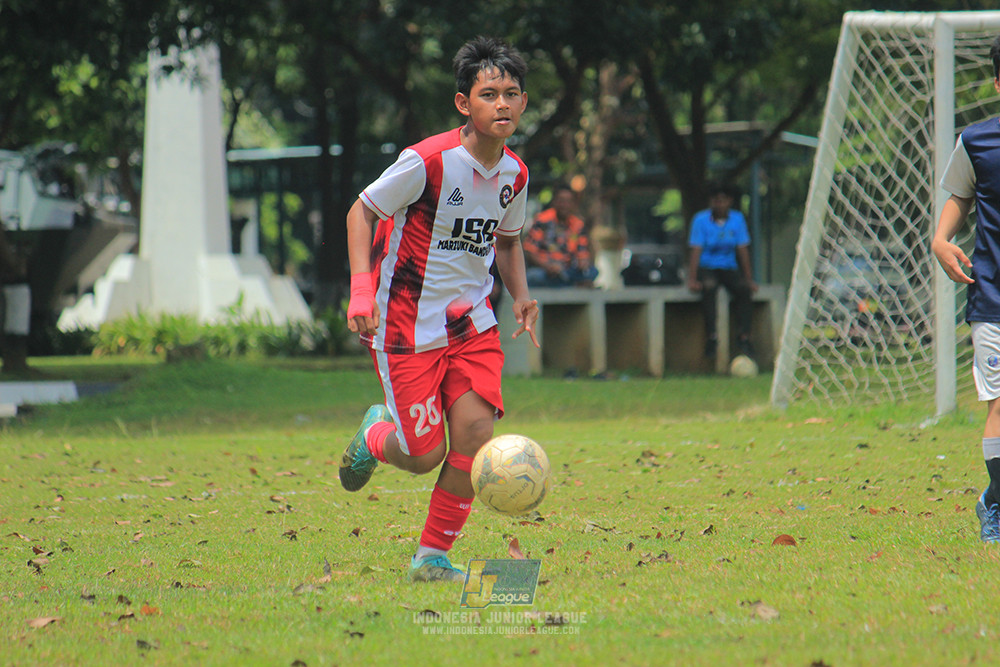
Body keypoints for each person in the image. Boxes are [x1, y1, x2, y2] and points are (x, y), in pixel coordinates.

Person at [340, 36, 540, 582]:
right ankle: (376, 436)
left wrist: (520, 295)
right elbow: (362, 212)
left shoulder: (515, 175)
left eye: (512, 94)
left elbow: (507, 240)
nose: (501, 104)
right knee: (424, 453)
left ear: (523, 103)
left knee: (475, 438)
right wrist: (361, 290)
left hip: (472, 323)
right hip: (405, 323)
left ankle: (431, 557)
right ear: (463, 104)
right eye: (488, 93)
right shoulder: (427, 161)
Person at [931, 35, 1000, 543]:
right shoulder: (976, 142)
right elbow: (959, 197)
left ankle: (991, 501)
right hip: (994, 297)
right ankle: (996, 511)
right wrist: (939, 239)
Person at [686, 182, 757, 360]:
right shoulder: (700, 220)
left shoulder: (737, 219)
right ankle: (712, 336)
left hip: (728, 267)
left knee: (743, 290)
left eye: (723, 200)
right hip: (707, 267)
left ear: (730, 202)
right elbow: (696, 250)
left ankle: (744, 336)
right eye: (716, 201)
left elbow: (742, 250)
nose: (719, 204)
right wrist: (692, 278)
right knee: (709, 288)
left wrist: (749, 279)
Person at [522, 184, 598, 287]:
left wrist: (583, 263)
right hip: (546, 270)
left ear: (573, 204)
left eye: (568, 201)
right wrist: (548, 266)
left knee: (592, 272)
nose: (564, 205)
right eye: (561, 201)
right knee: (533, 276)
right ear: (554, 202)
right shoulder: (542, 220)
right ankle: (567, 285)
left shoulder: (578, 224)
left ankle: (565, 283)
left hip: (567, 270)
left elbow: (582, 253)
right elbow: (530, 251)